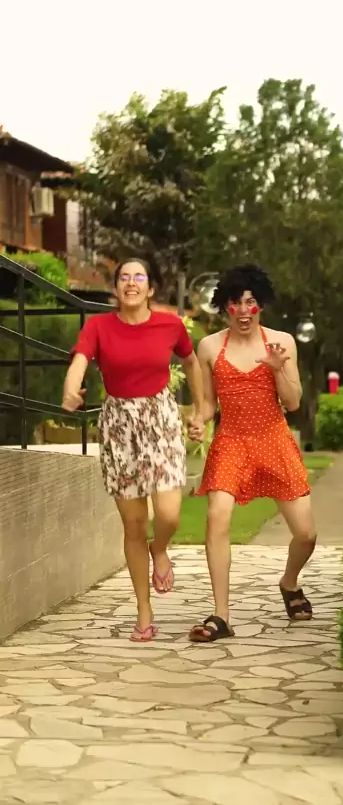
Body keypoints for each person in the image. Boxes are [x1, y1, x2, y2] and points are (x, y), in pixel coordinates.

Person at [62, 258, 204, 642]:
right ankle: (143, 610)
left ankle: (161, 549)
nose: (131, 283)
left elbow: (191, 363)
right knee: (134, 524)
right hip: (119, 426)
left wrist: (201, 410)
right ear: (116, 288)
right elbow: (80, 359)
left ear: (150, 289)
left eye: (138, 277)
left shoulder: (170, 325)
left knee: (169, 514)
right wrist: (71, 388)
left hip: (160, 420)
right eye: (124, 277)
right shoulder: (99, 326)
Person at [187, 264, 317, 642]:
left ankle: (289, 582)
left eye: (251, 303)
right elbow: (208, 405)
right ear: (224, 307)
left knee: (306, 535)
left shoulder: (281, 343)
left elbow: (293, 402)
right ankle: (221, 616)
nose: (244, 311)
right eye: (235, 303)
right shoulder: (209, 347)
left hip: (274, 440)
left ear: (261, 305)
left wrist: (278, 369)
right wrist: (197, 421)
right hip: (231, 442)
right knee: (217, 517)